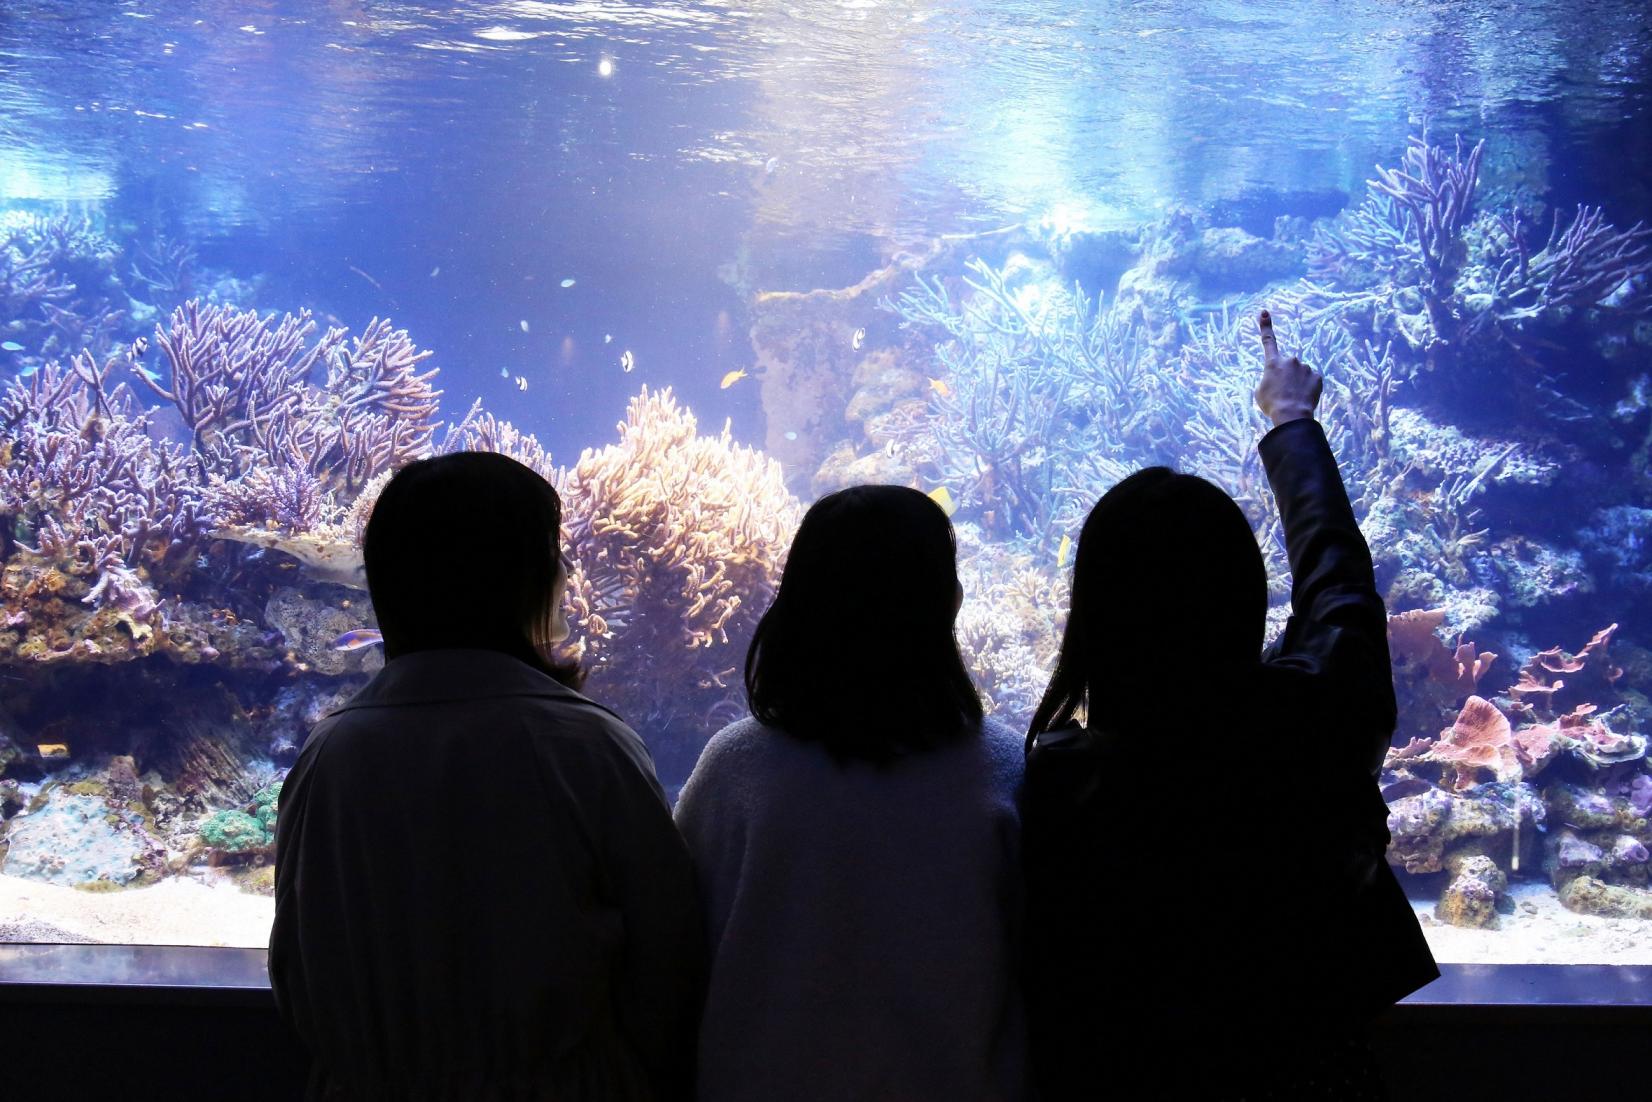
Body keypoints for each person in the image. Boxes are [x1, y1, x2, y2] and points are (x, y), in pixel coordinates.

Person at [1022, 311, 1438, 1099]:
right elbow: (1340, 586)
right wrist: (1291, 423)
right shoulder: (1310, 727)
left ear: (1095, 617)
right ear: (1243, 599)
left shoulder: (1059, 784)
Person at [270, 451, 703, 1101]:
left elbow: (299, 972)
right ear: (521, 580)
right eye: (553, 554)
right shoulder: (588, 747)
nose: (565, 573)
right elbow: (669, 961)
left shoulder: (328, 758)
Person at [674, 485, 1028, 1102]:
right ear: (945, 603)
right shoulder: (1005, 774)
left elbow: (670, 964)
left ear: (799, 605)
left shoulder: (732, 772)